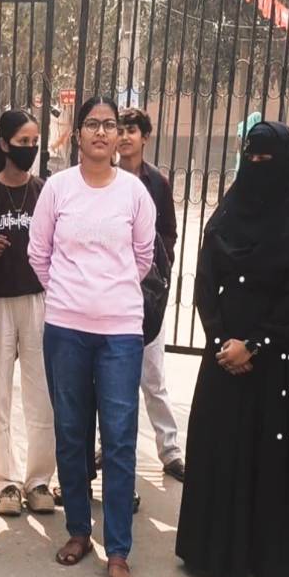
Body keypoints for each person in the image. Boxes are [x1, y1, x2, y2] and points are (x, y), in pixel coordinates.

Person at [176, 121, 289, 577]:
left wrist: (254, 345)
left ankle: (263, 557)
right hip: (224, 357)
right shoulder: (227, 213)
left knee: (267, 454)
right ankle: (214, 553)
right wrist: (222, 340)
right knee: (223, 447)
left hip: (274, 362)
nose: (257, 167)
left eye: (267, 159)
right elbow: (205, 280)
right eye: (251, 157)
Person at [28, 96, 155, 577]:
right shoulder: (57, 189)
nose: (102, 132)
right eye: (92, 124)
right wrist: (70, 295)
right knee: (71, 431)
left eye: (110, 124)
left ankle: (118, 550)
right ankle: (79, 530)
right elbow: (39, 254)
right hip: (66, 329)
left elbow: (143, 256)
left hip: (121, 333)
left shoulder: (134, 193)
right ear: (77, 133)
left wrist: (108, 295)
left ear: (119, 134)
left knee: (119, 439)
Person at [0, 110, 56, 517]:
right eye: (22, 142)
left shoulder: (44, 190)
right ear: (4, 144)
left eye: (34, 142)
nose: (30, 148)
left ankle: (39, 480)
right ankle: (6, 482)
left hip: (38, 300)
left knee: (41, 393)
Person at [115, 107, 186, 482]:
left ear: (145, 137)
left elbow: (169, 232)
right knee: (111, 378)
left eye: (132, 130)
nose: (125, 137)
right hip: (110, 290)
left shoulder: (157, 182)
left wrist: (158, 266)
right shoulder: (104, 176)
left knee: (153, 376)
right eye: (120, 130)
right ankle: (108, 445)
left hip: (147, 294)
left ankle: (170, 450)